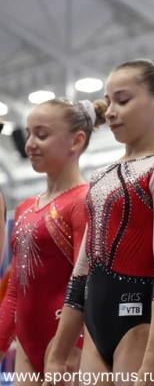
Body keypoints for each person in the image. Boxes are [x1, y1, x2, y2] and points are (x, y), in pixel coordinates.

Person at [44, 60, 154, 386]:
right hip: (96, 328)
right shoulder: (101, 176)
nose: (111, 112)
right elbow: (82, 269)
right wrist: (59, 351)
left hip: (142, 327)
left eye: (123, 100)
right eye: (108, 101)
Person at [0, 99, 101, 384]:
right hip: (27, 346)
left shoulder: (84, 201)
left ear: (76, 141)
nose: (30, 144)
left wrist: (63, 348)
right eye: (28, 134)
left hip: (70, 344)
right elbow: (15, 292)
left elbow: (86, 284)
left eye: (41, 135)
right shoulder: (25, 208)